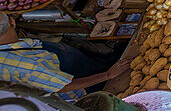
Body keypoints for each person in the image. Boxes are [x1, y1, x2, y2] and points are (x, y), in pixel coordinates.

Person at [0, 14, 130, 100]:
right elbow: (63, 86)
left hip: (70, 63)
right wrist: (108, 75)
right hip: (81, 86)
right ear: (12, 22)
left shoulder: (12, 50)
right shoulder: (26, 65)